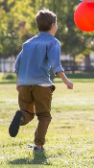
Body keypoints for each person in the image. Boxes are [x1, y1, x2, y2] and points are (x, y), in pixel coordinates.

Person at [9, 9, 73, 152]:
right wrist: (67, 81)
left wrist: (18, 83)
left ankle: (21, 117)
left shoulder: (28, 43)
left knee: (27, 113)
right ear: (52, 25)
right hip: (42, 85)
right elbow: (56, 66)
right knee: (44, 116)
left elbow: (17, 65)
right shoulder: (53, 42)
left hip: (24, 84)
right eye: (56, 24)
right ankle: (38, 146)